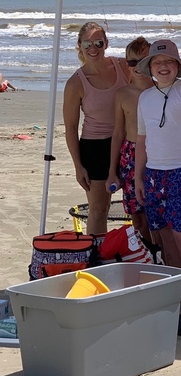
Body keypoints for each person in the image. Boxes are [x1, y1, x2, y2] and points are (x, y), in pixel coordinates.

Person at [135, 40, 181, 313]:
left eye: (169, 62)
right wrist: (138, 178)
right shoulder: (145, 98)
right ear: (150, 67)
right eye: (158, 62)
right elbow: (141, 140)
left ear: (177, 66)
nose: (163, 67)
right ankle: (178, 290)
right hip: (154, 173)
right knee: (164, 234)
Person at [63, 22, 130, 234]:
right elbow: (70, 128)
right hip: (95, 148)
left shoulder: (124, 66)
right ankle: (95, 252)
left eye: (98, 43)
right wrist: (78, 166)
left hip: (128, 144)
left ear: (106, 43)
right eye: (87, 43)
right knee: (99, 209)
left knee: (138, 207)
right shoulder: (75, 83)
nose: (93, 48)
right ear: (79, 45)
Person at [105, 36, 161, 246]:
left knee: (156, 213)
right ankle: (146, 251)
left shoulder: (161, 91)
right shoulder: (123, 94)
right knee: (136, 214)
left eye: (142, 61)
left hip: (156, 154)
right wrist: (112, 171)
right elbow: (118, 133)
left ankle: (160, 252)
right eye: (132, 62)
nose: (137, 67)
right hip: (129, 155)